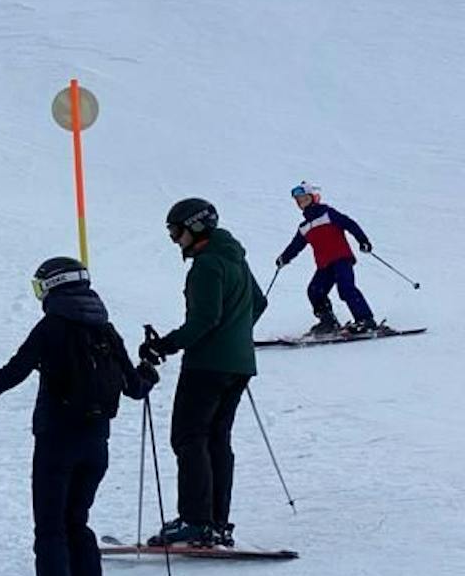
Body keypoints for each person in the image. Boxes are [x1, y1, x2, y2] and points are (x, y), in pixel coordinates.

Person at [0, 257, 157, 576]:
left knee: (50, 523)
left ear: (53, 287)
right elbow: (134, 388)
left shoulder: (51, 328)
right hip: (97, 444)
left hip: (56, 441)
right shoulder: (106, 330)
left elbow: (14, 371)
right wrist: (149, 369)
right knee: (76, 520)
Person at [139, 198, 267, 549]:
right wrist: (236, 335)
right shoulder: (235, 259)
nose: (173, 238)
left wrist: (163, 345)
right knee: (216, 439)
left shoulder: (207, 266)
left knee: (189, 437)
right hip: (239, 365)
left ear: (194, 226)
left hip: (207, 366)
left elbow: (203, 320)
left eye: (174, 230)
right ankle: (216, 522)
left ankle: (196, 521)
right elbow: (259, 303)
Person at [275, 182, 381, 336]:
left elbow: (349, 224)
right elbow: (296, 245)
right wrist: (284, 258)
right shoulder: (304, 227)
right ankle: (328, 322)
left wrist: (363, 241)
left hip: (341, 259)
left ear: (314, 198)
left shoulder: (327, 214)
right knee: (314, 291)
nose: (301, 202)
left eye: (304, 199)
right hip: (324, 265)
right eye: (298, 201)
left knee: (346, 288)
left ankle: (365, 320)